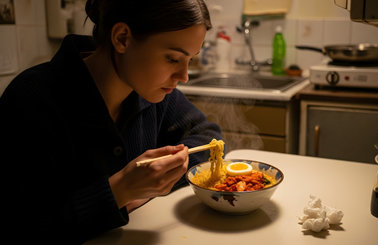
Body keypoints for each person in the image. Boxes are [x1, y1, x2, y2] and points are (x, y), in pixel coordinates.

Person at [0, 0, 221, 243]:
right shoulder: (33, 99)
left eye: (190, 59)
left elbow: (208, 135)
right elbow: (22, 226)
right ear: (122, 38)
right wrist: (120, 190)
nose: (184, 76)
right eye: (172, 59)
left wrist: (154, 184)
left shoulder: (152, 92)